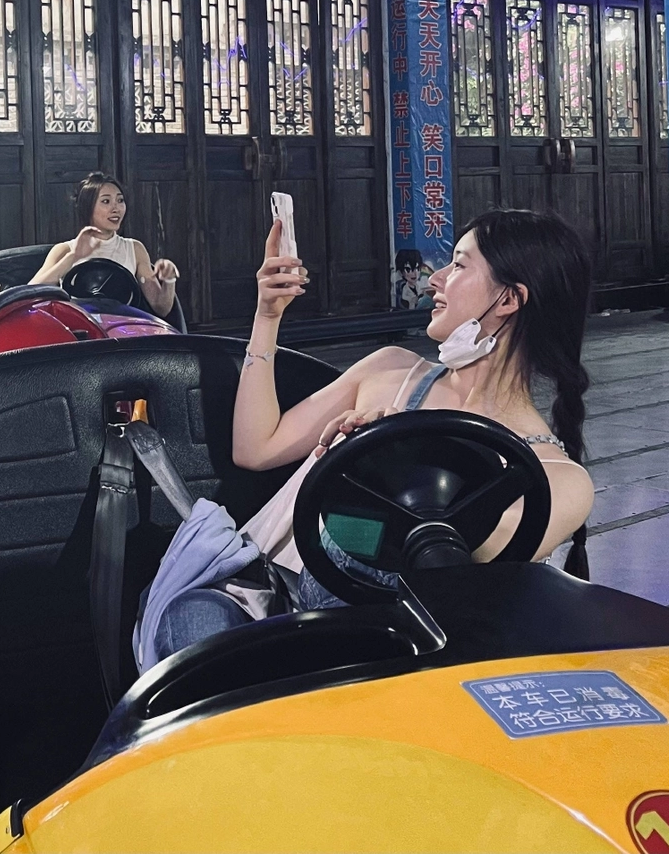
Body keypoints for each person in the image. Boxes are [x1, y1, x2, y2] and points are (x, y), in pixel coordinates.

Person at [152, 208, 595, 659]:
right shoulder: (390, 371)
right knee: (195, 620)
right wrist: (267, 318)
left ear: (508, 300)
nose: (435, 279)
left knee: (360, 568)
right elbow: (255, 449)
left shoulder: (556, 479)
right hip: (270, 597)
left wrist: (393, 459)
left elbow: (461, 571)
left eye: (459, 266)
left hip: (383, 637)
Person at [30, 172, 179, 319]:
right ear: (88, 207)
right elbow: (30, 294)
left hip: (122, 327)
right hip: (79, 327)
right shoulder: (64, 250)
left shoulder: (135, 249)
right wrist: (74, 256)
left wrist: (169, 279)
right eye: (106, 201)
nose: (116, 209)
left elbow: (161, 308)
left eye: (120, 200)